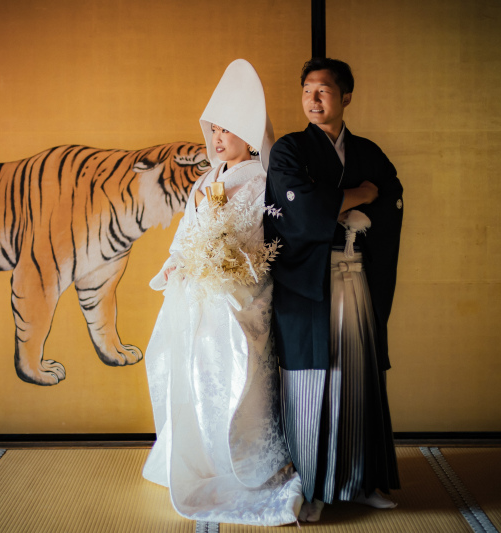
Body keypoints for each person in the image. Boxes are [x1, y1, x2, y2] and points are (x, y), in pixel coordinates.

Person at [142, 59, 303, 526]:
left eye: (227, 130)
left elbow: (248, 237)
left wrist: (216, 258)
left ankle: (241, 462)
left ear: (249, 135)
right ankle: (201, 458)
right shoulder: (205, 179)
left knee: (229, 377)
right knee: (190, 376)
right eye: (214, 129)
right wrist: (176, 263)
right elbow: (186, 234)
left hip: (234, 296)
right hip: (197, 294)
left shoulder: (258, 179)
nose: (217, 138)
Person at [263, 58, 403, 522]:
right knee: (309, 385)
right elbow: (300, 211)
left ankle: (359, 481)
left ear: (346, 97)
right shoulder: (289, 150)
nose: (313, 98)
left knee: (357, 378)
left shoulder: (368, 152)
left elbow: (391, 197)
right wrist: (359, 196)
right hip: (307, 285)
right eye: (307, 90)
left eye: (323, 90)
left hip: (355, 277)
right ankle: (310, 486)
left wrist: (339, 203)